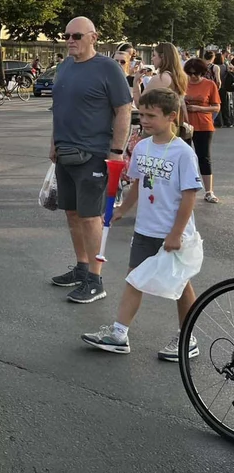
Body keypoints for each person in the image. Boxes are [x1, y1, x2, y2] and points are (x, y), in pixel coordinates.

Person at [81, 88, 201, 362]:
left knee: (181, 285)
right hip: (145, 230)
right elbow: (139, 182)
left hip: (172, 234)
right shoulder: (143, 147)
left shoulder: (182, 153)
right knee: (134, 279)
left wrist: (176, 233)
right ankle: (119, 335)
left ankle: (188, 337)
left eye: (151, 116)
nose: (144, 120)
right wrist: (123, 209)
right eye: (142, 114)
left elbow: (189, 195)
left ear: (171, 117)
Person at [49, 17, 132, 304]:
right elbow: (59, 108)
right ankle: (82, 268)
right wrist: (53, 142)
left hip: (94, 155)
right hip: (65, 152)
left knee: (91, 216)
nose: (70, 40)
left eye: (76, 35)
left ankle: (96, 280)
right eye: (67, 35)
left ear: (93, 37)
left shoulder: (108, 68)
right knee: (71, 212)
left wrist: (117, 151)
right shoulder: (64, 67)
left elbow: (124, 110)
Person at [183, 57, 221, 203]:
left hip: (204, 125)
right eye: (190, 73)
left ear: (202, 73)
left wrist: (199, 108)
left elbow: (216, 107)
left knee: (204, 157)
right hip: (185, 125)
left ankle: (209, 191)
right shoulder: (183, 83)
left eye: (197, 73)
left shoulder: (210, 84)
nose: (193, 76)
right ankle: (183, 188)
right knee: (183, 157)